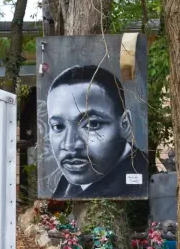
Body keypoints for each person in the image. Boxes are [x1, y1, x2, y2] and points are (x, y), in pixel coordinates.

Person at [45, 65, 147, 198]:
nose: (69, 145)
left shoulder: (138, 182)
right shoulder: (70, 181)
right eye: (58, 126)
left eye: (92, 124)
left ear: (125, 125)